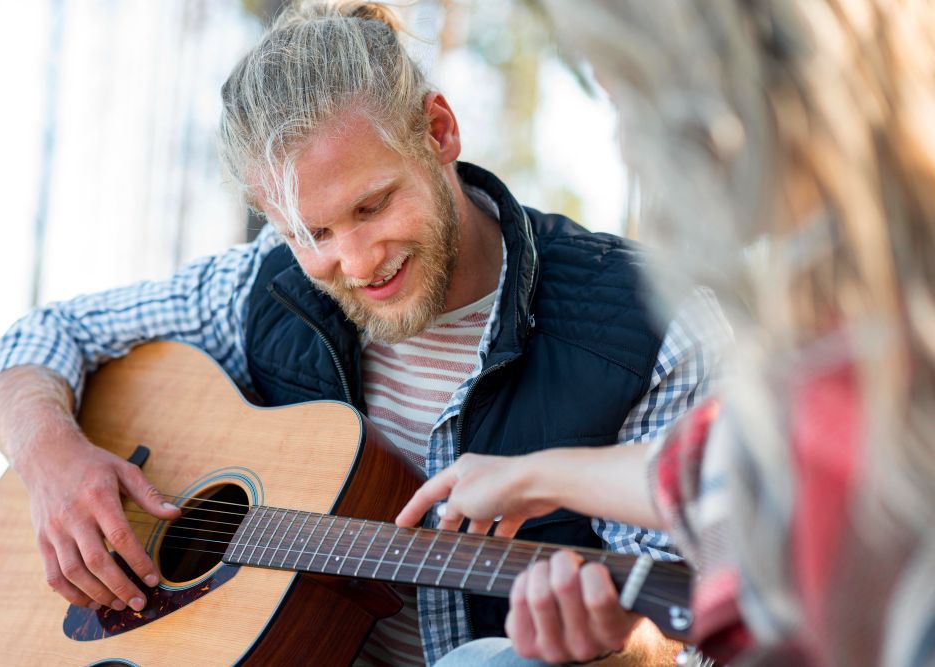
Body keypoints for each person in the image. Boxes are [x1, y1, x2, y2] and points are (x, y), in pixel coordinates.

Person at [0, 2, 728, 665]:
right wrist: (50, 457)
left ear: (438, 131)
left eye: (372, 206)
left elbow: (688, 631)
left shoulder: (654, 323)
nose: (357, 262)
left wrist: (617, 640)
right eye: (314, 232)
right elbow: (38, 339)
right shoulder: (258, 287)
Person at [397, 0, 935, 665]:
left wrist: (637, 643)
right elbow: (720, 464)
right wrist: (537, 475)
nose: (627, 145)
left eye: (629, 99)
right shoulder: (853, 307)